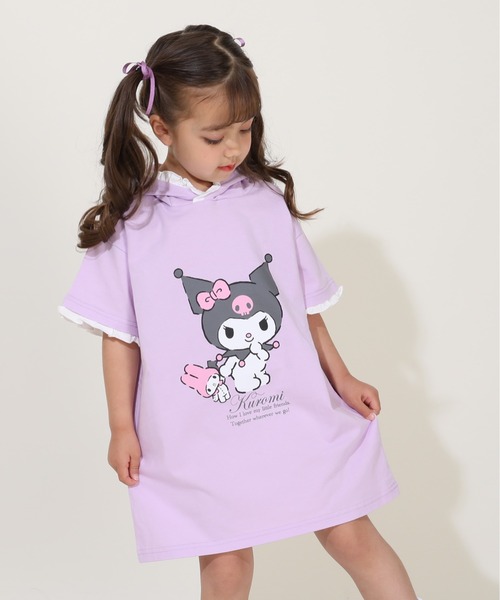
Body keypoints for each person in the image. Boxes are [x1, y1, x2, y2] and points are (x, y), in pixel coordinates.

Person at [59, 24, 422, 600]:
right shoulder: (133, 223)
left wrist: (342, 376)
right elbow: (120, 336)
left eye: (245, 129)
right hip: (200, 437)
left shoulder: (264, 203)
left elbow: (302, 308)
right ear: (162, 128)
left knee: (352, 534)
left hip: (294, 414)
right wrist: (121, 426)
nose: (233, 149)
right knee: (226, 566)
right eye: (214, 136)